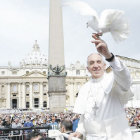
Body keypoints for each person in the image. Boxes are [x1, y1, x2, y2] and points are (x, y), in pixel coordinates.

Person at [69, 34, 133, 140]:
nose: (95, 65)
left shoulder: (115, 79)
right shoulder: (85, 88)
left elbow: (126, 78)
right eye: (91, 63)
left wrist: (108, 56)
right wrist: (80, 131)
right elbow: (86, 115)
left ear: (104, 65)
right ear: (88, 68)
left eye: (99, 62)